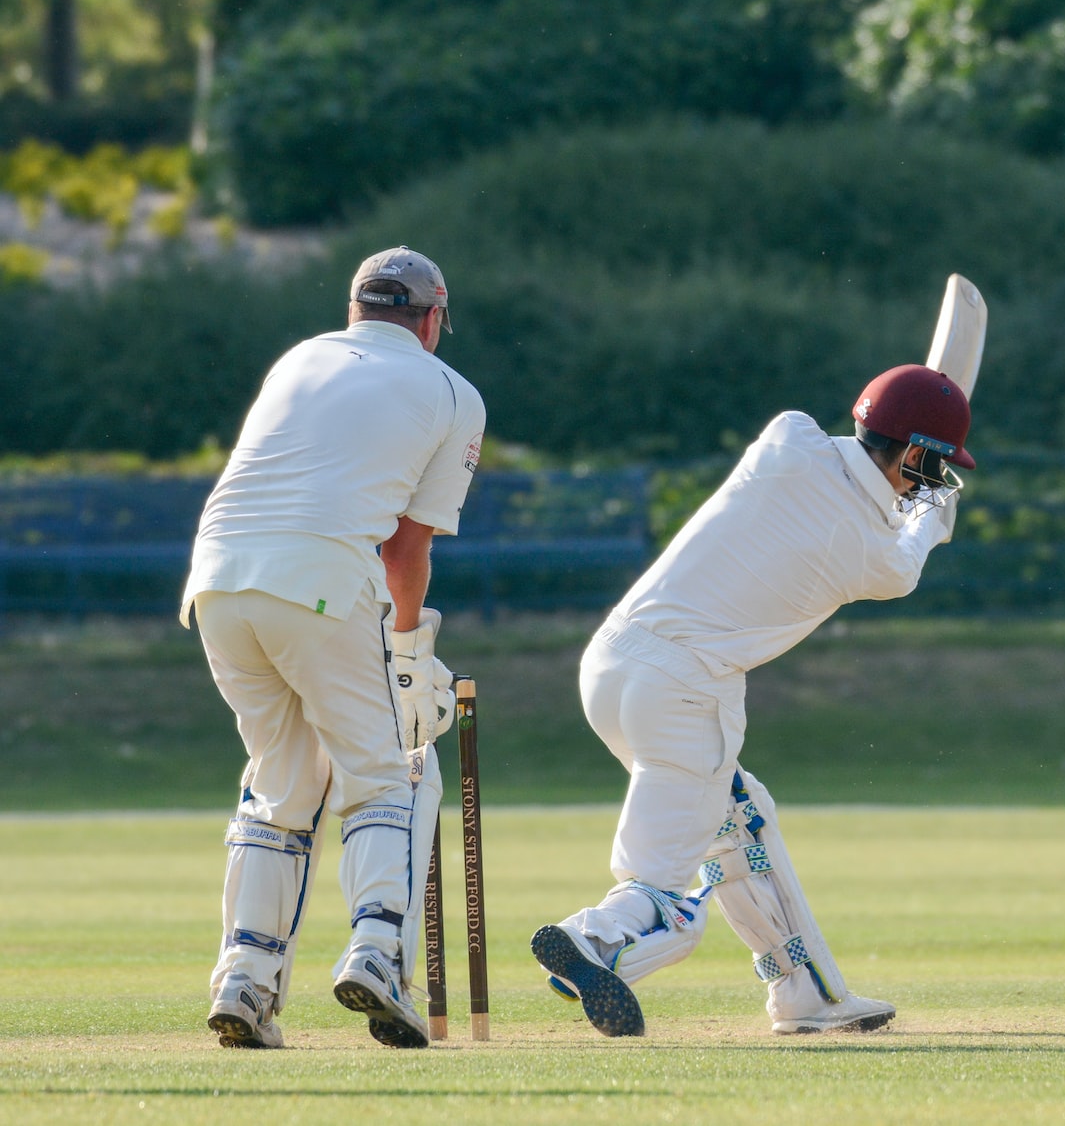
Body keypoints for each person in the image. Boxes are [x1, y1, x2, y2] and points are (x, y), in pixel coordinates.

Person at [532, 363, 972, 1037]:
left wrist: (903, 478)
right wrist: (930, 516)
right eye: (929, 467)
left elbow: (842, 472)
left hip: (610, 664)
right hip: (685, 690)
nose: (930, 482)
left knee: (743, 822)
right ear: (914, 453)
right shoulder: (872, 555)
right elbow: (904, 558)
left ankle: (805, 991)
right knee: (667, 887)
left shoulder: (786, 435)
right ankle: (596, 939)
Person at [183, 246, 486, 1049]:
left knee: (281, 782)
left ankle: (245, 981)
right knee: (385, 772)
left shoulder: (299, 357)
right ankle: (378, 951)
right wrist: (410, 649)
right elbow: (406, 548)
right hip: (318, 579)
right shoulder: (450, 390)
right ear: (432, 318)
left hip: (216, 579)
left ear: (356, 310)